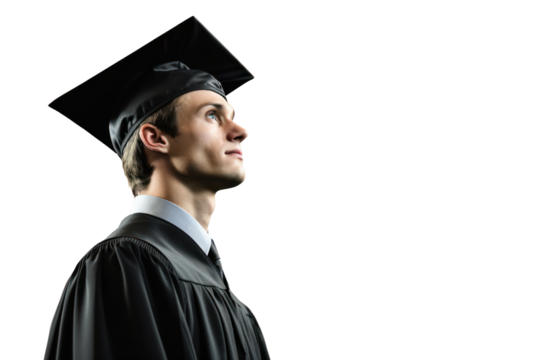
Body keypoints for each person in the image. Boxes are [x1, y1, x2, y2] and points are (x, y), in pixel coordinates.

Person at [44, 15, 271, 360]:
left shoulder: (240, 310)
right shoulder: (121, 264)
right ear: (156, 138)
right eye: (213, 115)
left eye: (233, 115)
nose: (241, 130)